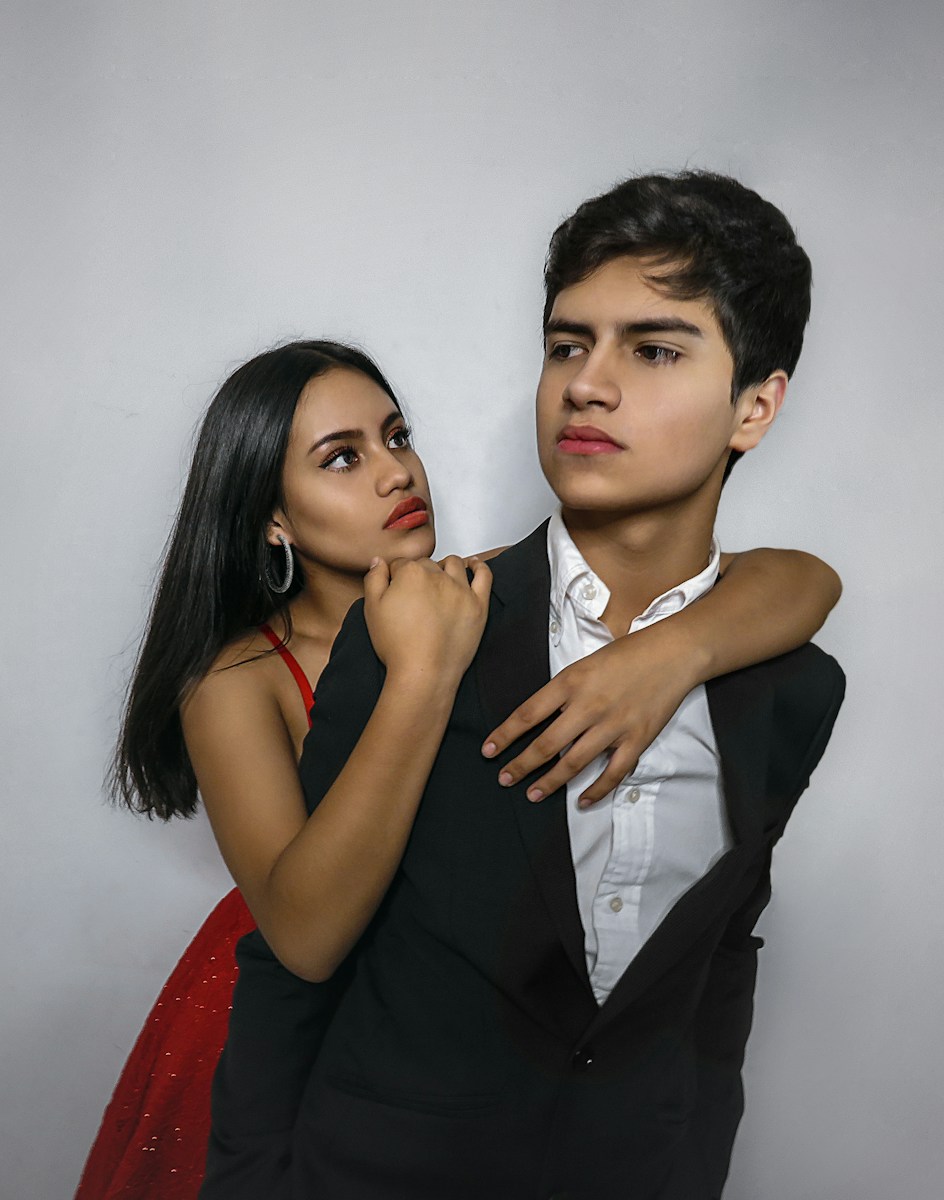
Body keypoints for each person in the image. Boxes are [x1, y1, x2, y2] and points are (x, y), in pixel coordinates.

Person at [204, 171, 847, 1199]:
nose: (586, 383)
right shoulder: (412, 630)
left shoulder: (794, 688)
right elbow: (293, 971)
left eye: (652, 348)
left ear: (755, 406)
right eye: (564, 345)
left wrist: (695, 1166)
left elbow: (721, 963)